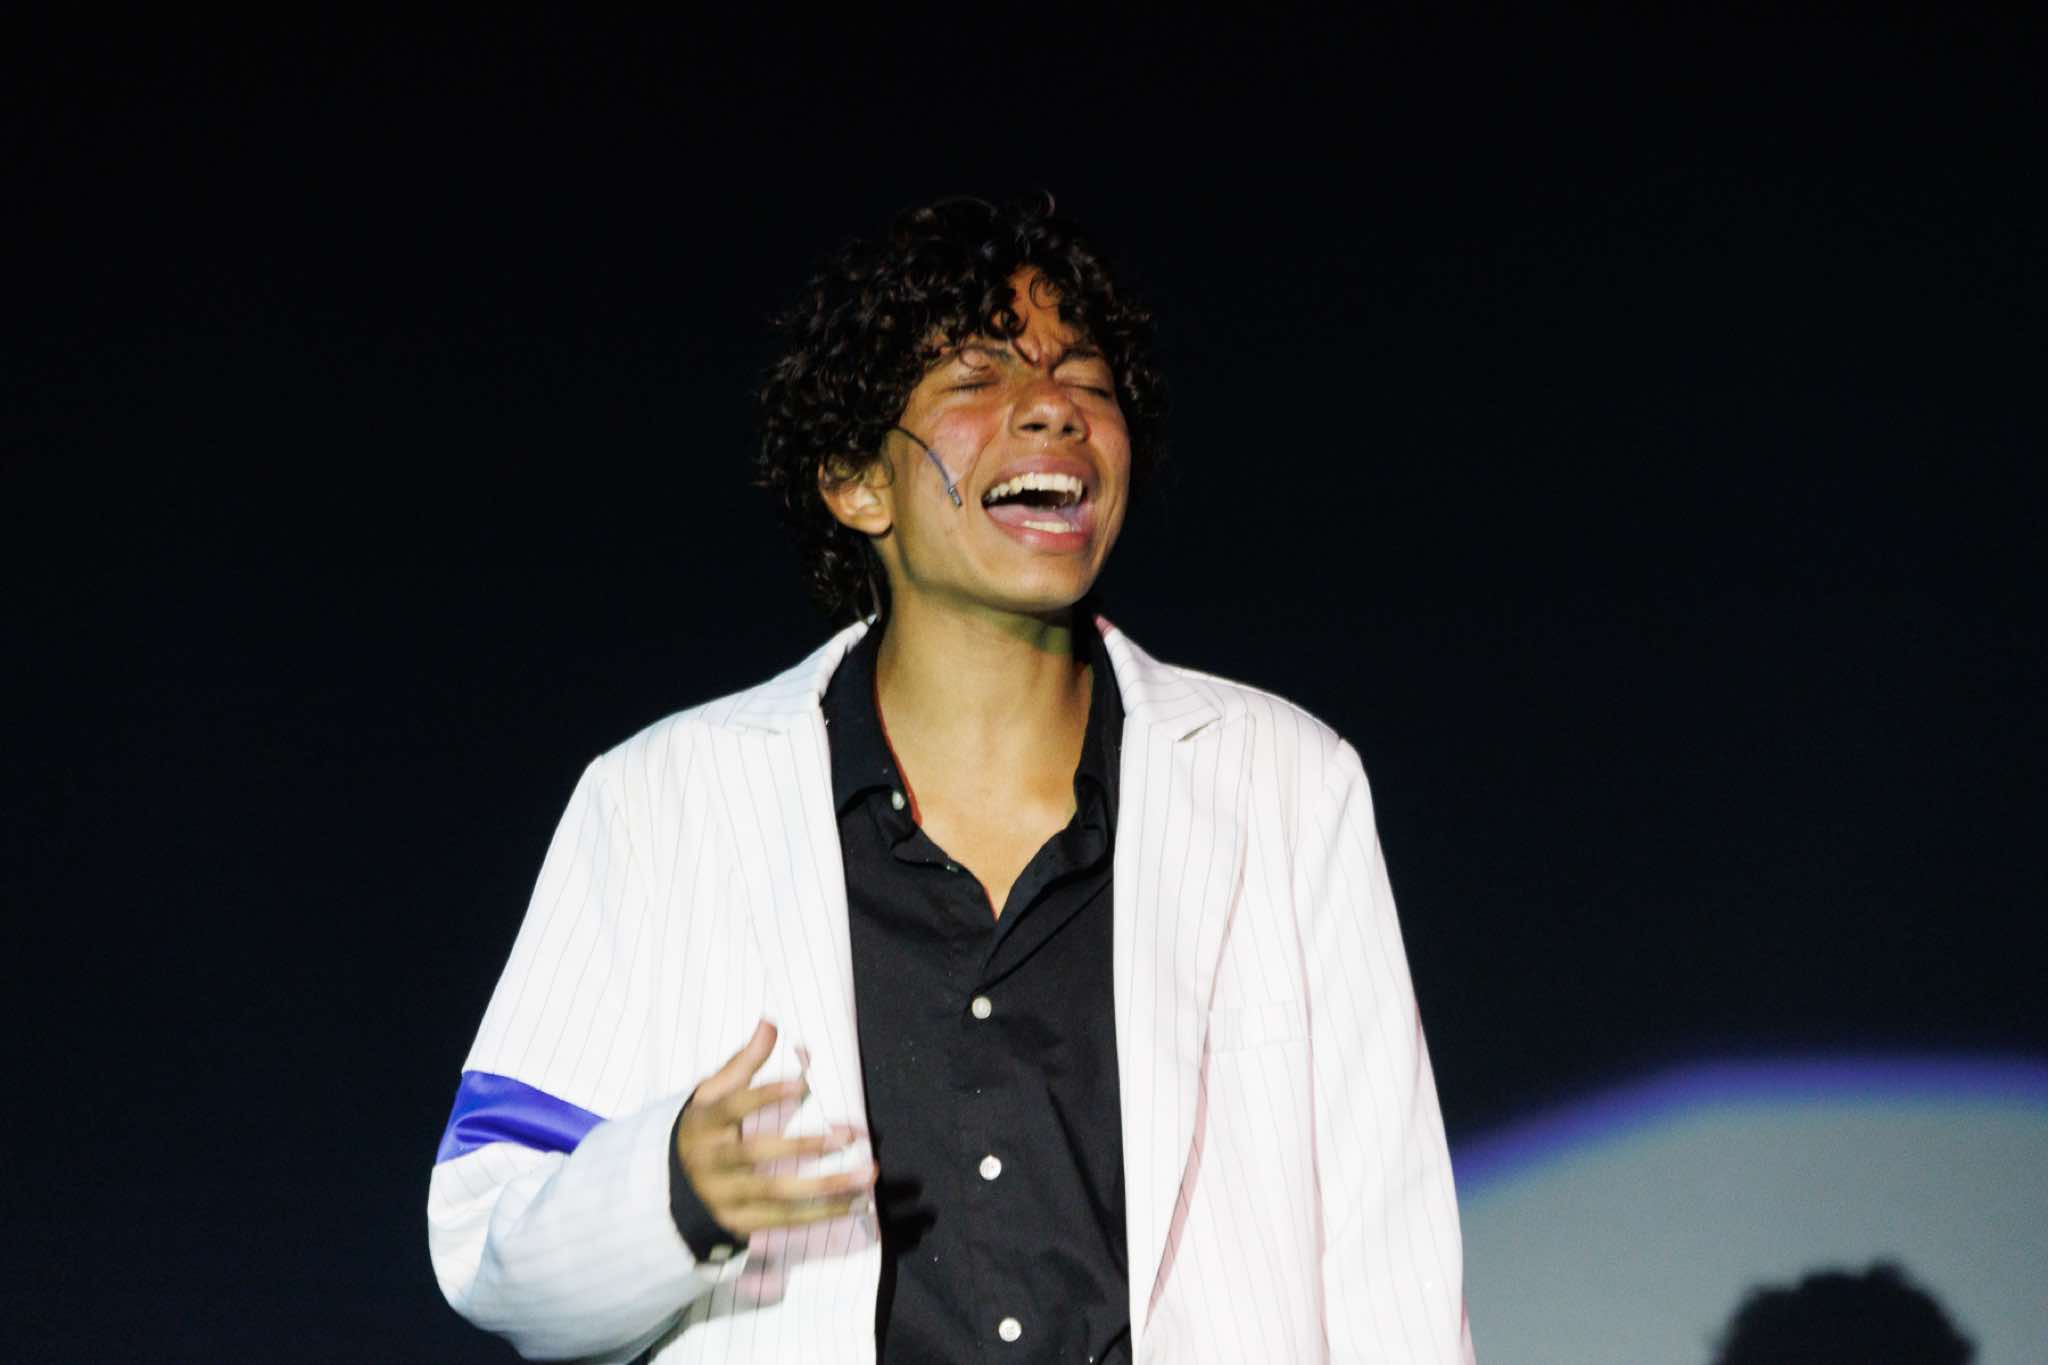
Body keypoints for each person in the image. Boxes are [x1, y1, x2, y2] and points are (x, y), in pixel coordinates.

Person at [427, 196, 1473, 1364]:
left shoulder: (1284, 784)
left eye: (1085, 378)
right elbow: (485, 1229)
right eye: (976, 377)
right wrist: (671, 1190)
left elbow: (1389, 1262)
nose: (1052, 407)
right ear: (854, 482)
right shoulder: (659, 803)